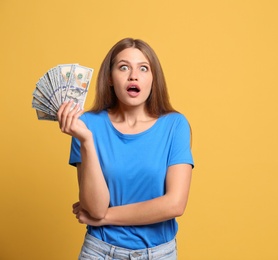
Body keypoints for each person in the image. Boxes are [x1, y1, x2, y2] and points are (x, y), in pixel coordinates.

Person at [57, 37, 194, 260]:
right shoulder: (87, 126)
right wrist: (88, 142)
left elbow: (175, 204)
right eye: (123, 67)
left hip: (159, 254)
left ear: (153, 78)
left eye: (143, 68)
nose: (133, 75)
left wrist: (105, 218)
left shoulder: (175, 125)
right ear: (110, 78)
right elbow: (95, 208)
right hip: (99, 251)